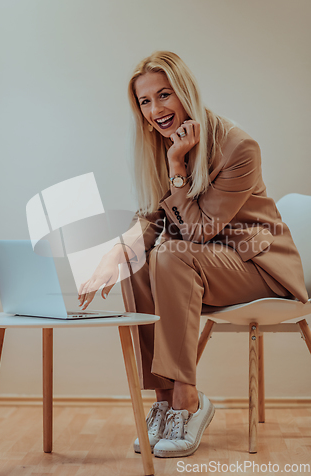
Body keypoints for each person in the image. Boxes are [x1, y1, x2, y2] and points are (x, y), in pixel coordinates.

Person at [78, 51, 308, 458]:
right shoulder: (157, 144)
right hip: (205, 266)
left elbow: (201, 231)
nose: (155, 110)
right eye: (144, 102)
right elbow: (152, 218)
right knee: (137, 263)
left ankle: (189, 400)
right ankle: (165, 402)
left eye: (163, 95)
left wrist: (177, 165)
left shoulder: (239, 147)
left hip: (259, 266)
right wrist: (115, 255)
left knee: (170, 255)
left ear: (185, 91)